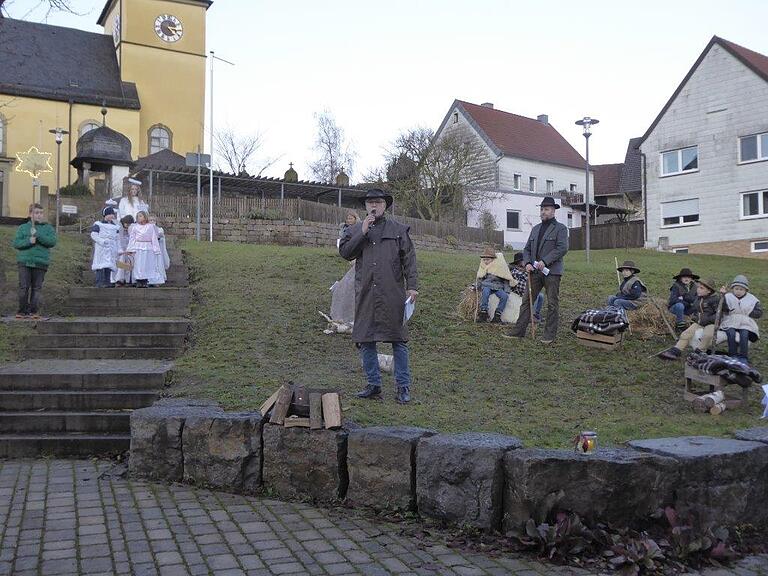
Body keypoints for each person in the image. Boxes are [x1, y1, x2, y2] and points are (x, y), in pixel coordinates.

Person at [339, 189, 419, 404]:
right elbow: (346, 253)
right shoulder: (355, 229)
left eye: (378, 202)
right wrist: (362, 232)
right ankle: (373, 385)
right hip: (366, 293)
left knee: (398, 340)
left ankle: (403, 386)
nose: (374, 206)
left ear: (385, 206)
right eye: (370, 203)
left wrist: (412, 287)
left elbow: (409, 259)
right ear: (365, 207)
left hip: (392, 292)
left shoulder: (398, 230)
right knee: (365, 340)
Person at [503, 196, 569, 344]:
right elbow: (526, 249)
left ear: (553, 211)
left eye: (546, 209)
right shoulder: (535, 229)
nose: (542, 212)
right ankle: (518, 331)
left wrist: (545, 261)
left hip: (552, 272)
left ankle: (549, 335)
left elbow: (562, 248)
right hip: (534, 272)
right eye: (541, 209)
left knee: (552, 304)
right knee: (526, 301)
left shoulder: (561, 229)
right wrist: (526, 262)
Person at [657, 278, 721, 360]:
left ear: (709, 291)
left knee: (707, 335)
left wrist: (708, 319)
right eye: (698, 287)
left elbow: (719, 313)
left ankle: (700, 352)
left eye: (702, 288)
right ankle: (676, 350)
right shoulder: (699, 298)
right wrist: (694, 317)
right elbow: (693, 307)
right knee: (686, 333)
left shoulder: (715, 299)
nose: (698, 290)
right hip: (699, 322)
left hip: (711, 323)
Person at [13, 203, 57, 319]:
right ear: (30, 214)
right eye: (36, 213)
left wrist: (38, 235)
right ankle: (22, 311)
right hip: (25, 262)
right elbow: (16, 243)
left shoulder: (48, 228)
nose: (39, 215)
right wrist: (29, 241)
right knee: (24, 287)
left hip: (41, 262)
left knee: (36, 288)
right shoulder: (23, 228)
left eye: (41, 213)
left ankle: (33, 311)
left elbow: (52, 242)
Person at [718, 275, 762, 365]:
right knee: (731, 332)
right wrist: (722, 296)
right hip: (730, 319)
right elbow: (722, 308)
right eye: (736, 289)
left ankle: (743, 356)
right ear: (733, 289)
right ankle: (732, 355)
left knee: (744, 333)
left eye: (741, 289)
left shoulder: (752, 299)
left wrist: (749, 312)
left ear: (746, 290)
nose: (738, 291)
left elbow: (759, 313)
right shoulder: (728, 297)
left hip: (745, 321)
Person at [475, 246, 514, 323]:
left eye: (488, 259)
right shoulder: (485, 267)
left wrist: (507, 290)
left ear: (493, 259)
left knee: (504, 296)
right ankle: (484, 311)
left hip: (498, 287)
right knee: (485, 292)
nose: (486, 261)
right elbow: (480, 277)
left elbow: (505, 279)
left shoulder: (500, 268)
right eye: (484, 259)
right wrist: (476, 286)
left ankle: (497, 314)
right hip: (487, 285)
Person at [126, 211, 161, 288]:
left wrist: (156, 249)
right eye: (138, 216)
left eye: (141, 216)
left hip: (148, 247)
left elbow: (154, 238)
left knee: (147, 264)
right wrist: (130, 249)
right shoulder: (135, 227)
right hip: (138, 247)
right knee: (138, 264)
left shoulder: (150, 227)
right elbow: (132, 238)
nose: (139, 218)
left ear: (145, 217)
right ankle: (139, 280)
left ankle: (145, 280)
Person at [509, 252, 544, 322]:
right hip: (519, 290)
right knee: (535, 295)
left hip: (527, 288)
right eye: (523, 261)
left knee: (541, 296)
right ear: (518, 262)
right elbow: (524, 278)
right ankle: (531, 315)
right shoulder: (515, 270)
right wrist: (527, 272)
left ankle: (536, 313)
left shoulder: (525, 269)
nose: (525, 262)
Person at [90, 206, 120, 288]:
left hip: (111, 247)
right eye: (109, 214)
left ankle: (107, 282)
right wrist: (102, 241)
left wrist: (118, 249)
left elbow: (117, 238)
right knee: (100, 265)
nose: (111, 216)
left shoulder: (115, 226)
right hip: (102, 247)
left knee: (109, 265)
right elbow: (94, 235)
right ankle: (99, 282)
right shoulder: (99, 224)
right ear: (105, 215)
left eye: (112, 214)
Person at [148, 215, 170, 286]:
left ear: (156, 221)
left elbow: (162, 238)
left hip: (157, 249)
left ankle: (157, 280)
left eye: (153, 220)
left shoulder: (160, 229)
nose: (152, 222)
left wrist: (159, 238)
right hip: (149, 250)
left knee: (157, 264)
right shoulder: (146, 229)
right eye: (150, 220)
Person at [113, 215, 135, 286]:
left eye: (129, 224)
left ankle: (128, 280)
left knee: (130, 262)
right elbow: (118, 240)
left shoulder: (131, 229)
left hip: (129, 249)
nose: (127, 226)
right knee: (121, 263)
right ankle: (119, 279)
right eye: (127, 224)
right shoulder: (119, 229)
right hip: (121, 250)